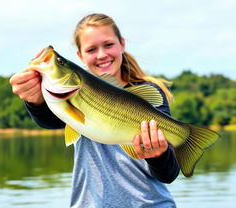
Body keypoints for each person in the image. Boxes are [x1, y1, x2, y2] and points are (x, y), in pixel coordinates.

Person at [10, 13, 180, 207]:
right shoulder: (71, 95)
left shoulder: (149, 94)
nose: (101, 55)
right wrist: (35, 101)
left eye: (108, 45)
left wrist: (159, 155)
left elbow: (169, 174)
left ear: (122, 44)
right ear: (80, 56)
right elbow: (49, 120)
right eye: (91, 49)